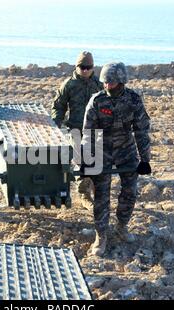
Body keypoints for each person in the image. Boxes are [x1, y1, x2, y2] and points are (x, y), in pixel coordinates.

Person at [81, 62, 152, 257]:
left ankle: (122, 226)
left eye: (111, 83)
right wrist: (87, 158)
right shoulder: (96, 101)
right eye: (105, 82)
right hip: (102, 149)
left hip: (126, 150)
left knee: (130, 191)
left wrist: (145, 159)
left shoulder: (134, 100)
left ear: (121, 82)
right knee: (101, 195)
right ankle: (101, 235)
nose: (107, 86)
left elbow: (141, 130)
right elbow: (88, 133)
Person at [51, 51, 102, 209]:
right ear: (76, 66)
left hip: (95, 129)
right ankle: (84, 195)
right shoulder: (69, 85)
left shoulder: (99, 85)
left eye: (88, 67)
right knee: (82, 160)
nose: (85, 70)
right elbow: (59, 107)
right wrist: (55, 125)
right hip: (76, 129)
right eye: (82, 67)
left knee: (98, 160)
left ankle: (96, 191)